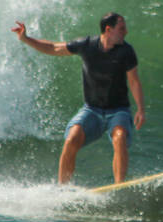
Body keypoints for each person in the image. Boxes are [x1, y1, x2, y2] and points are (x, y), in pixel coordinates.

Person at [12, 12, 146, 184]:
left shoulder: (126, 52)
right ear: (108, 29)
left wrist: (141, 109)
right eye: (121, 28)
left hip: (118, 110)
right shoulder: (87, 45)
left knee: (119, 137)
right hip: (92, 109)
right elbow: (54, 48)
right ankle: (63, 189)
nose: (126, 32)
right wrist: (26, 39)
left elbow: (134, 82)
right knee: (71, 139)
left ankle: (120, 187)